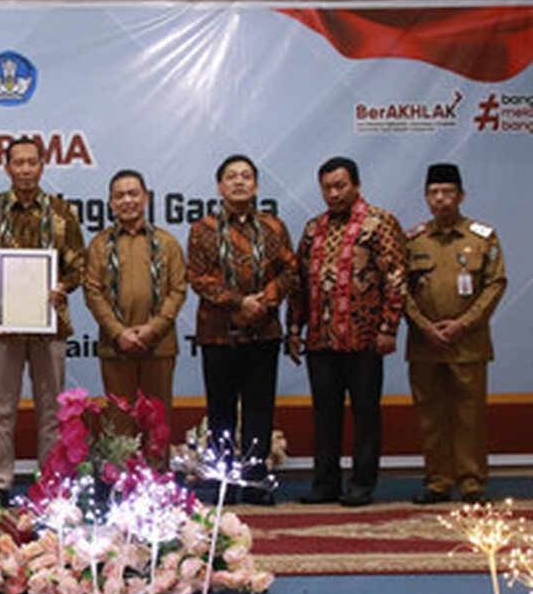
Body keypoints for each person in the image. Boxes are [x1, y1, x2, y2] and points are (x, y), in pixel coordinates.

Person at [0, 136, 86, 507]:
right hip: (3, 328)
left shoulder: (63, 213)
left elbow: (79, 264)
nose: (25, 169)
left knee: (52, 409)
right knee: (2, 409)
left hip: (50, 323)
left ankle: (51, 481)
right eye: (18, 163)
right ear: (7, 168)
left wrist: (62, 286)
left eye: (31, 162)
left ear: (42, 166)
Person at [288, 156, 405, 507]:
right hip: (322, 338)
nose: (334, 193)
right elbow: (299, 284)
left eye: (340, 186)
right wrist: (294, 328)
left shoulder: (379, 223)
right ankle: (326, 483)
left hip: (365, 336)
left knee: (366, 413)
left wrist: (389, 327)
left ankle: (362, 484)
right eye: (327, 187)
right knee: (325, 414)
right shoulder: (313, 229)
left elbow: (396, 278)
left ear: (356, 185)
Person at [187, 155, 297, 505]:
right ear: (220, 187)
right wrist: (239, 303)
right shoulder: (202, 229)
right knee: (220, 410)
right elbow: (199, 278)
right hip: (218, 334)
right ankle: (223, 482)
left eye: (246, 176)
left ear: (256, 186)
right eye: (231, 177)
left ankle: (254, 478)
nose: (238, 182)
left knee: (259, 408)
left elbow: (290, 272)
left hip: (263, 332)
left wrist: (264, 300)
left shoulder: (273, 227)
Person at [404, 163, 506, 504]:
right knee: (431, 415)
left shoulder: (482, 237)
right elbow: (399, 291)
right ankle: (437, 481)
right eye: (434, 193)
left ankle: (472, 481)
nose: (440, 199)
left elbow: (495, 285)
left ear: (460, 196)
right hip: (425, 343)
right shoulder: (413, 239)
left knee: (469, 415)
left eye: (447, 192)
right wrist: (424, 326)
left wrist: (464, 323)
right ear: (426, 197)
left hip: (469, 342)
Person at [83, 169, 186, 439]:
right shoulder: (99, 245)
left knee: (157, 419)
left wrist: (154, 328)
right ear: (111, 203)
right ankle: (122, 478)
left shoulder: (167, 243)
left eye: (133, 194)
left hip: (159, 344)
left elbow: (177, 290)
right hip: (115, 346)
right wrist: (118, 332)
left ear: (146, 197)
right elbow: (93, 291)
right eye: (119, 196)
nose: (127, 200)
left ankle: (157, 478)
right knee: (119, 420)